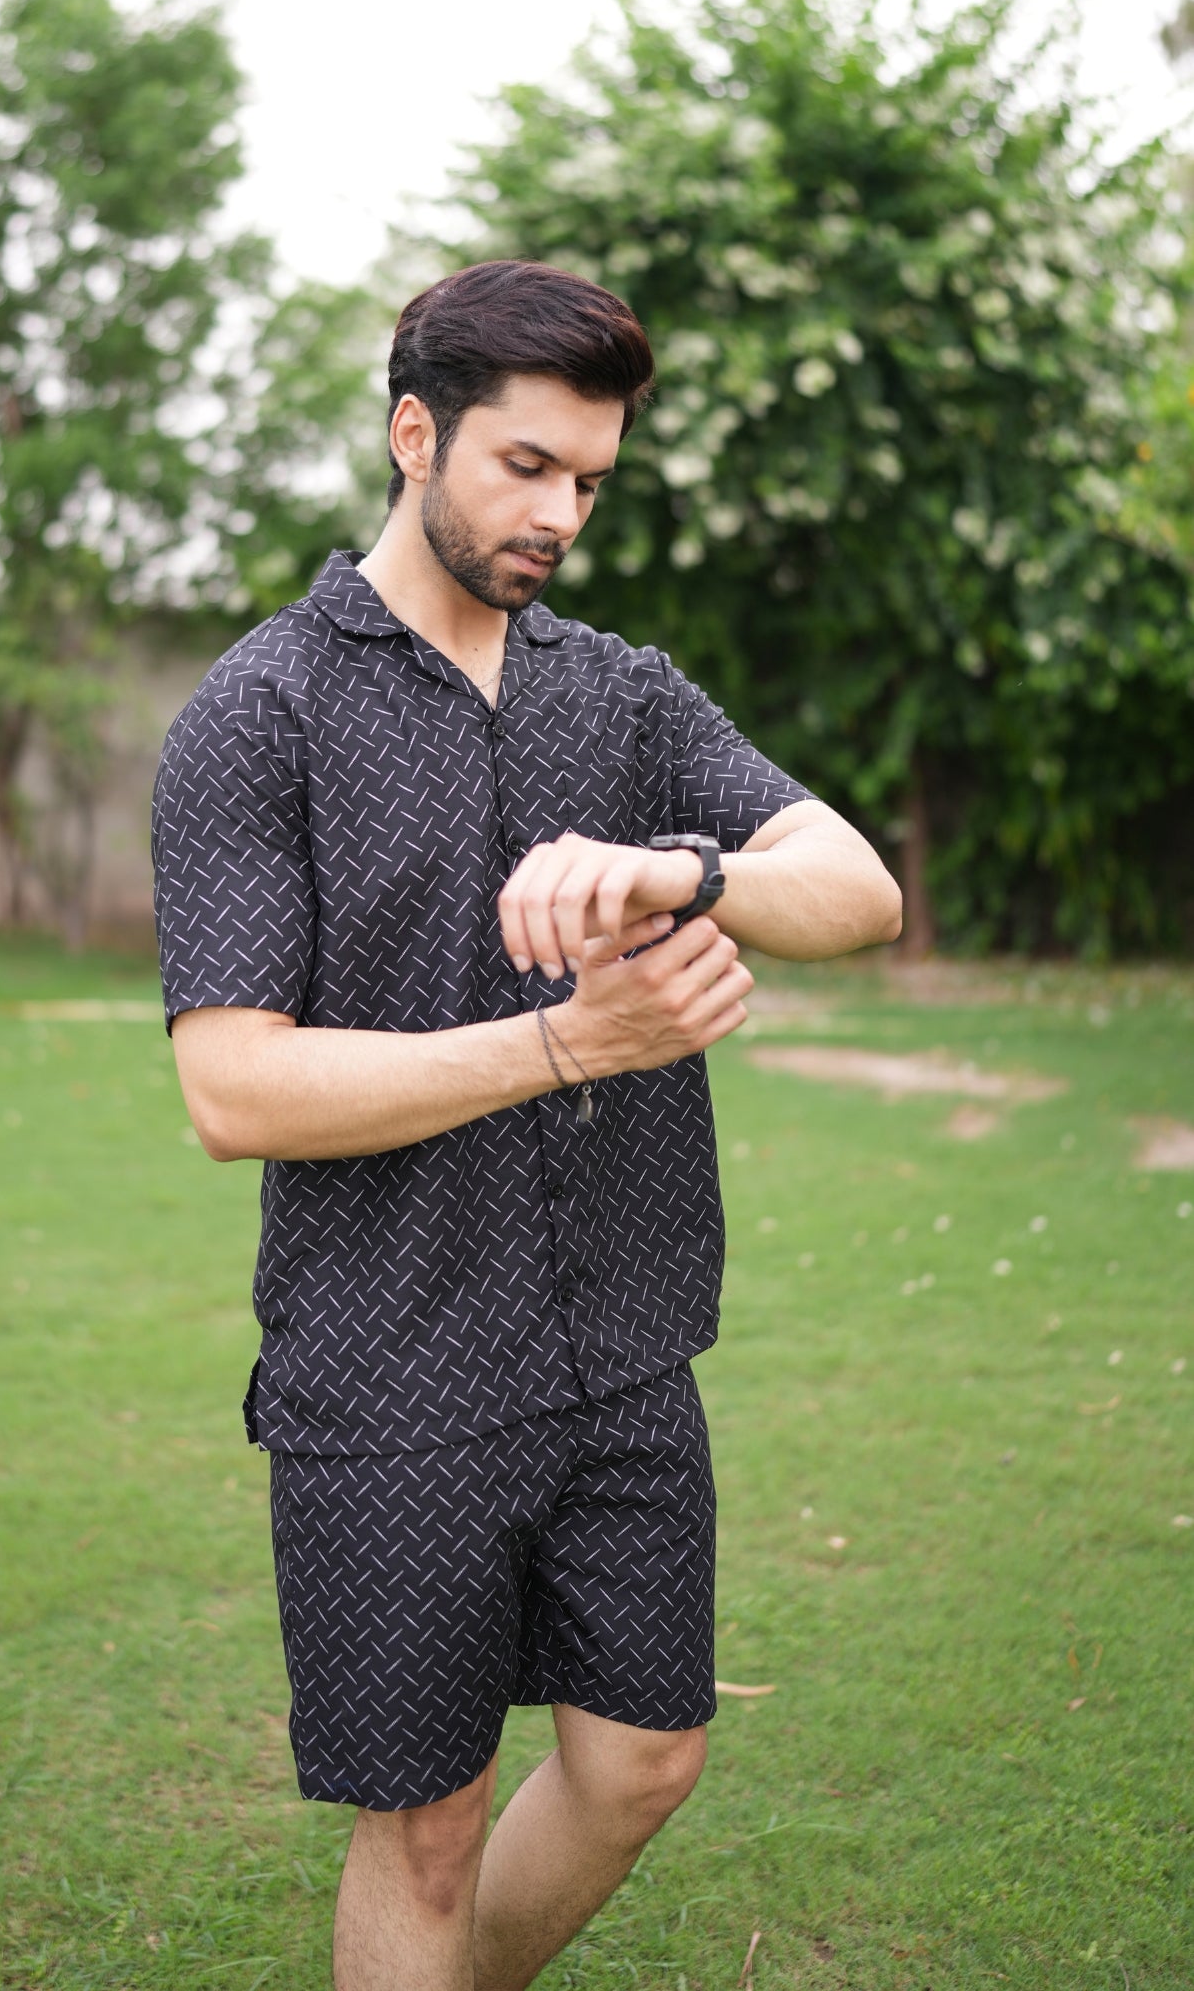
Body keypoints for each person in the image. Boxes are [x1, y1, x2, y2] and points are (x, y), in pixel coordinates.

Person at [151, 259, 902, 1991]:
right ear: (416, 435)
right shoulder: (258, 713)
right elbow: (231, 1088)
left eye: (591, 481)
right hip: (390, 1369)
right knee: (425, 1833)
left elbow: (856, 888)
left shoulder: (621, 696)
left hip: (624, 1344)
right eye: (527, 467)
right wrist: (569, 1042)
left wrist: (681, 869)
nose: (561, 514)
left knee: (645, 1762)